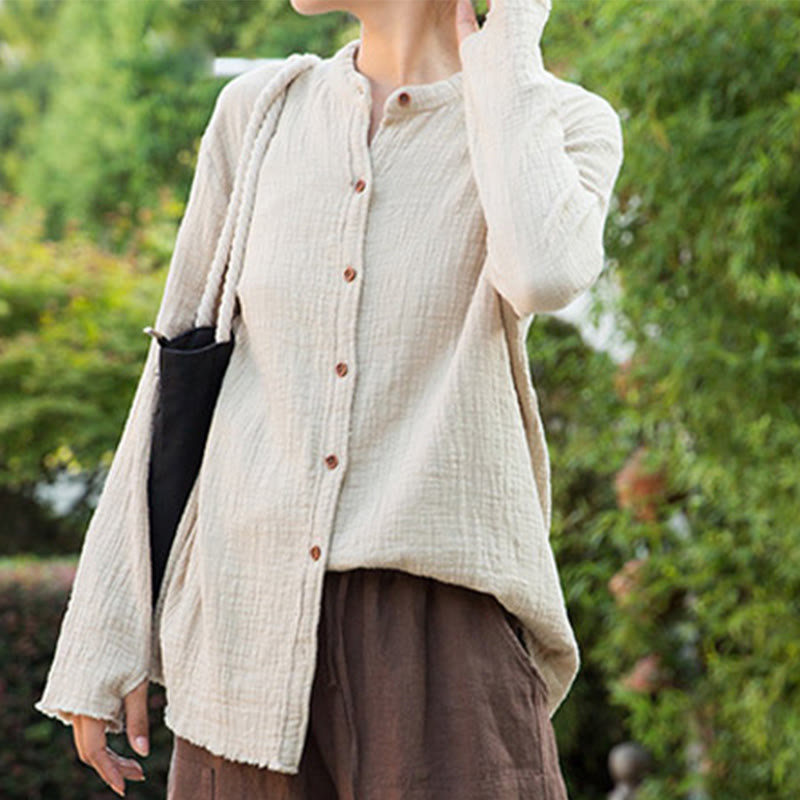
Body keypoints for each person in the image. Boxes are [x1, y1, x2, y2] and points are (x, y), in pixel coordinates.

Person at [33, 0, 624, 797]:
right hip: (240, 629)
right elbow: (175, 375)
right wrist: (108, 635)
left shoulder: (557, 123)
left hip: (439, 637)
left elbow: (543, 271)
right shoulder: (258, 115)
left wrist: (510, 38)